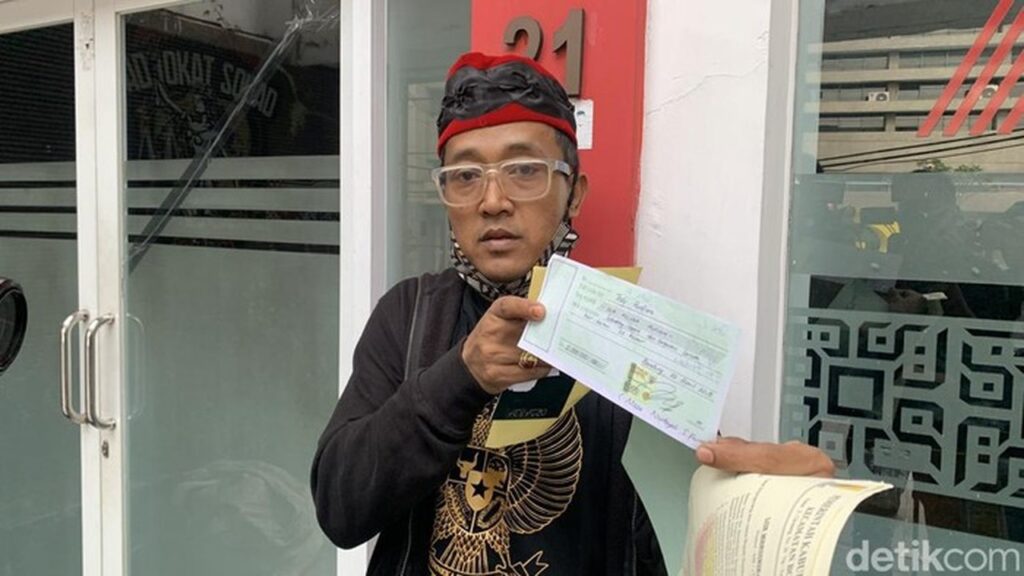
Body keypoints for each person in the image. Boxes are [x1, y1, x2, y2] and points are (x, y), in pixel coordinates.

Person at [311, 52, 833, 576]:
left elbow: (680, 520)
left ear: (574, 194)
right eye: (465, 175)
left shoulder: (633, 335)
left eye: (524, 171)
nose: (492, 201)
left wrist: (769, 507)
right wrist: (460, 376)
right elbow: (340, 509)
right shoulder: (410, 315)